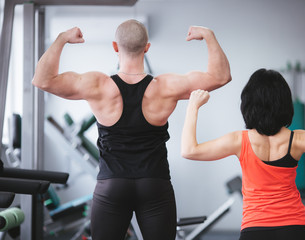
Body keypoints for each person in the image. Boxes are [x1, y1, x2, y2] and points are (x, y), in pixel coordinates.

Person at [32, 19, 231, 240]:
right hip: (155, 184)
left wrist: (61, 39)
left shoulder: (98, 84)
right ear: (147, 48)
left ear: (115, 46)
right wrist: (209, 36)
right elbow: (221, 76)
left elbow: (42, 80)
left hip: (112, 185)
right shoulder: (166, 86)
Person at [181, 68, 305, 240]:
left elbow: (189, 150)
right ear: (284, 103)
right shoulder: (298, 138)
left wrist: (193, 106)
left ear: (248, 103)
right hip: (295, 228)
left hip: (255, 229)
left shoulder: (239, 140)